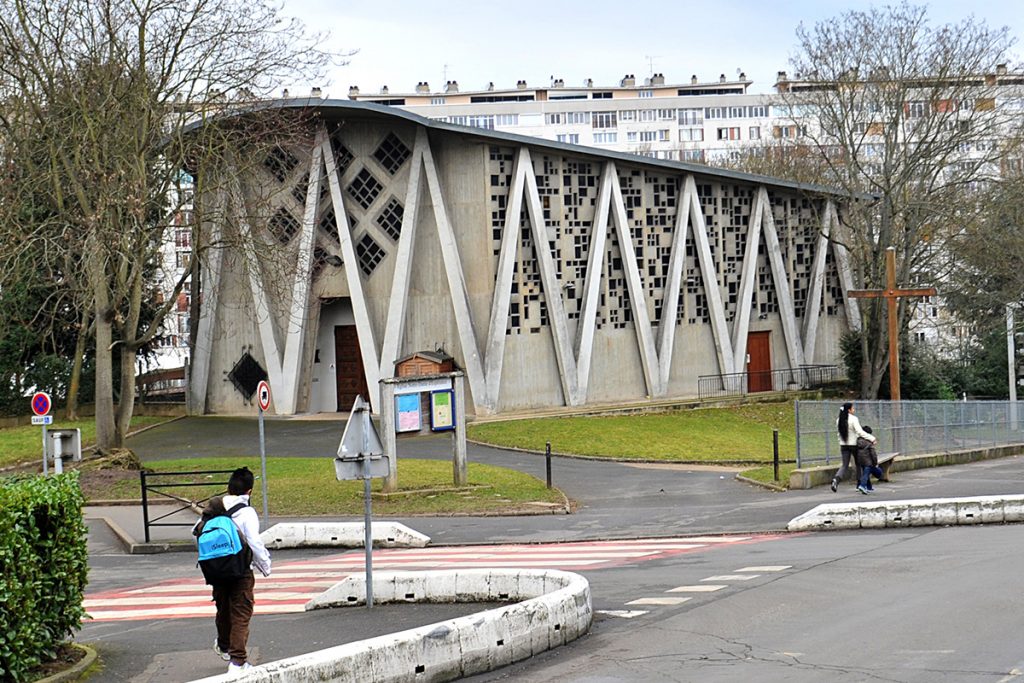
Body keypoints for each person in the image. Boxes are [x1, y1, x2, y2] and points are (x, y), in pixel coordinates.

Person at [201, 467, 272, 675]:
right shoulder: (247, 512)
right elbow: (254, 542)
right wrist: (265, 566)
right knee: (241, 613)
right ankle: (238, 661)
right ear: (249, 491)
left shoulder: (214, 507)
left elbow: (196, 531)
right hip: (241, 571)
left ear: (229, 488)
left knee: (223, 609)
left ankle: (224, 645)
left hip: (216, 570)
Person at [830, 402, 876, 493]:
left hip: (843, 445)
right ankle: (859, 484)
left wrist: (841, 442)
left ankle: (836, 480)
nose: (854, 410)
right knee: (858, 464)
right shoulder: (854, 419)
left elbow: (839, 434)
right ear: (849, 410)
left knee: (844, 465)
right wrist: (872, 438)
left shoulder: (839, 420)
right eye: (853, 408)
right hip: (854, 445)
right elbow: (860, 432)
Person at [855, 425, 884, 494]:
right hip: (868, 462)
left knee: (865, 473)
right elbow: (873, 454)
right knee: (870, 473)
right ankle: (862, 485)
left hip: (860, 461)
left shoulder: (857, 441)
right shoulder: (869, 443)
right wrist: (875, 463)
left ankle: (868, 487)